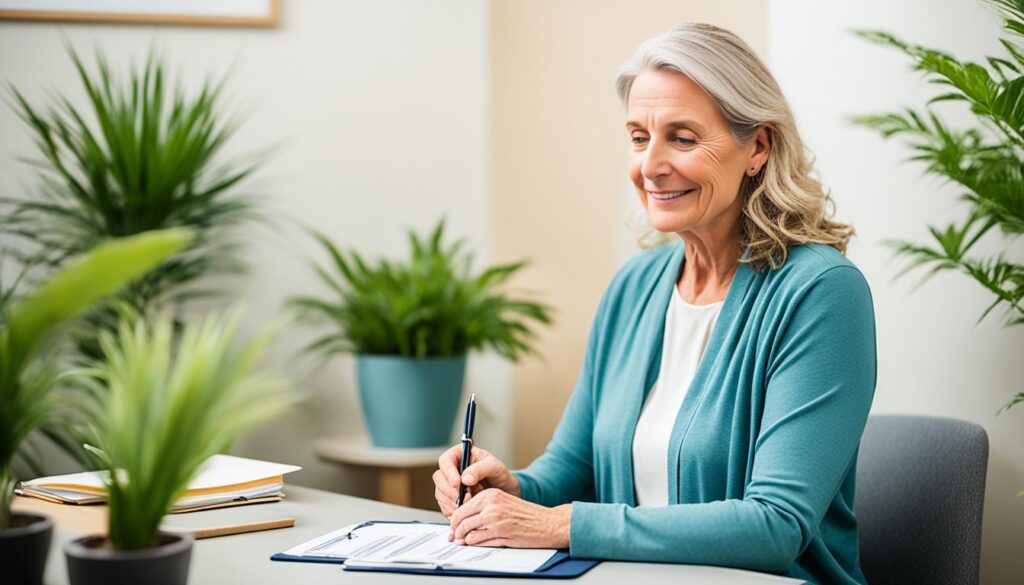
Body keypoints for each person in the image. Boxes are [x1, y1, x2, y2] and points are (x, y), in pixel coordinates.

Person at [434, 22, 875, 585]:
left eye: (683, 138)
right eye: (639, 137)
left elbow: (776, 526)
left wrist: (562, 525)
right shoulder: (633, 287)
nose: (650, 165)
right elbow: (572, 468)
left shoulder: (821, 293)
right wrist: (511, 492)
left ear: (757, 148)